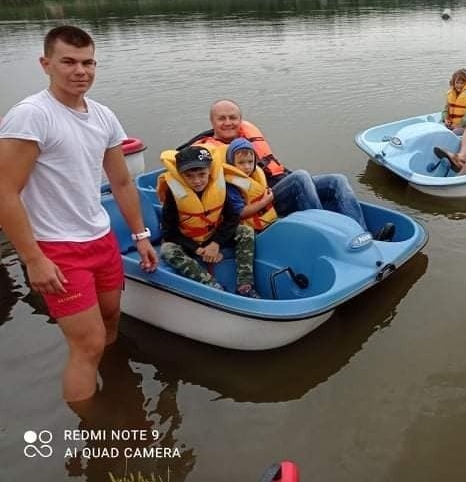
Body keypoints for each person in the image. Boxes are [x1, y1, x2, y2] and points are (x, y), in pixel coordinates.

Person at [0, 25, 158, 403]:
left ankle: (118, 388)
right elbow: (5, 191)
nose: (80, 71)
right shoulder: (32, 116)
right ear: (46, 63)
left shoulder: (103, 116)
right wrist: (33, 259)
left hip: (101, 241)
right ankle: (93, 428)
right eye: (68, 62)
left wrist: (140, 235)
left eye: (88, 63)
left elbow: (121, 182)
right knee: (86, 345)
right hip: (57, 248)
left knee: (110, 325)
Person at [186, 99, 396, 241]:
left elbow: (272, 167)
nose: (228, 122)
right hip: (262, 203)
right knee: (301, 177)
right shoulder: (207, 152)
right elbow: (208, 191)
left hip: (282, 184)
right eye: (222, 118)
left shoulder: (246, 138)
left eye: (233, 118)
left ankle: (364, 236)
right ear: (212, 121)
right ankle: (331, 238)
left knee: (337, 180)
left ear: (240, 120)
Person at [158, 145, 257, 297]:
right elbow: (169, 232)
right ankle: (212, 286)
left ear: (209, 172)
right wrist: (197, 249)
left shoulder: (219, 187)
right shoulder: (173, 194)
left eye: (201, 174)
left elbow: (232, 218)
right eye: (189, 176)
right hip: (187, 241)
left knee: (245, 231)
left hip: (213, 236)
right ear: (180, 175)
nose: (197, 181)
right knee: (167, 250)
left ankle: (245, 285)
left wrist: (216, 243)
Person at [225, 137, 279, 232]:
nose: (247, 167)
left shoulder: (255, 175)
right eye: (241, 163)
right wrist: (264, 202)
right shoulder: (231, 185)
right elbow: (240, 212)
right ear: (231, 164)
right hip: (248, 228)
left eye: (250, 162)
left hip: (266, 220)